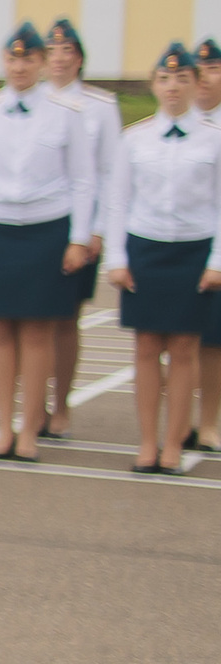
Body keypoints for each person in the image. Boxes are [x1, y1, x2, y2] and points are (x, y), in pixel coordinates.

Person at [0, 23, 97, 462]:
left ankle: (30, 429)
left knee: (37, 333)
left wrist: (78, 239)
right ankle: (2, 427)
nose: (20, 66)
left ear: (40, 63)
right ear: (3, 62)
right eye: (13, 59)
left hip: (45, 230)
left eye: (28, 59)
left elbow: (83, 180)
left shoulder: (67, 112)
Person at [102, 42, 221, 473]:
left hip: (193, 250)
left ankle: (175, 443)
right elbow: (117, 202)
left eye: (183, 79)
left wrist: (217, 261)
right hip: (146, 248)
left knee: (186, 347)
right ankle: (148, 442)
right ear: (154, 85)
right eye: (166, 79)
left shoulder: (214, 139)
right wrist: (116, 257)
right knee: (147, 346)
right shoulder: (134, 139)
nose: (173, 87)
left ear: (196, 84)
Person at [40, 17, 120, 438]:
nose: (58, 59)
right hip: (35, 226)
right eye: (51, 51)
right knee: (29, 319)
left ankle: (61, 404)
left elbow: (108, 173)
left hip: (78, 226)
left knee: (66, 319)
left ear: (80, 59)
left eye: (66, 51)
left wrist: (98, 229)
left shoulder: (100, 107)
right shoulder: (29, 103)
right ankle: (32, 404)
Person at [194, 36, 221, 451]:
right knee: (176, 339)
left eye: (213, 70)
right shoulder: (159, 129)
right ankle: (180, 418)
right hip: (175, 243)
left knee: (214, 340)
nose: (203, 80)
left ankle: (209, 422)